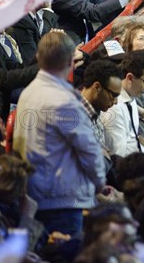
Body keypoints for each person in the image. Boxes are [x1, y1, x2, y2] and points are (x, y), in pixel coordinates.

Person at [14, 31, 106, 236]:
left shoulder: (28, 93)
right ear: (71, 61)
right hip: (64, 201)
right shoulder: (64, 101)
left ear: (38, 58)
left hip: (36, 194)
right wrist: (99, 183)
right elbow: (89, 151)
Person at [101, 50, 144, 157]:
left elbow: (135, 140)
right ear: (130, 78)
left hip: (141, 158)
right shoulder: (114, 107)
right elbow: (118, 155)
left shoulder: (131, 98)